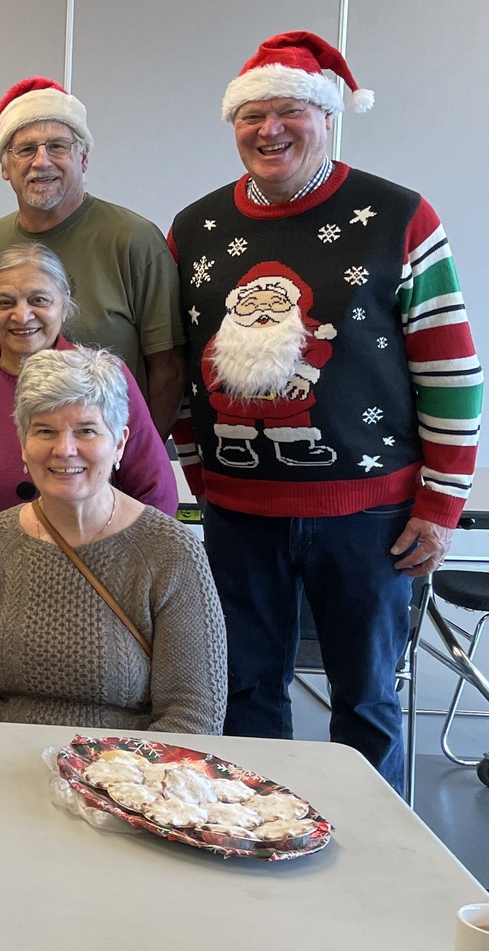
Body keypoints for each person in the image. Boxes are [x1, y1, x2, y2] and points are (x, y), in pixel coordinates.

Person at [171, 32, 480, 787]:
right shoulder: (195, 229)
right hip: (239, 512)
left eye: (287, 112)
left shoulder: (398, 216)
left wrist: (440, 505)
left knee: (366, 703)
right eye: (250, 116)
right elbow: (176, 366)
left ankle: (378, 877)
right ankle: (248, 833)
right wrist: (198, 478)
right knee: (243, 694)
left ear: (327, 117)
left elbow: (449, 366)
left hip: (370, 518)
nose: (267, 130)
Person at [0, 347, 227, 732]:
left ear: (120, 443)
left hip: (126, 780)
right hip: (1, 769)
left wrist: (102, 778)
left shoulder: (171, 551)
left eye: (86, 430)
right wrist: (0, 759)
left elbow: (193, 716)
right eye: (45, 431)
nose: (64, 449)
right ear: (22, 443)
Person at [0, 243, 177, 598]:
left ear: (65, 303)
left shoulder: (107, 379)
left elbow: (156, 492)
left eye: (39, 300)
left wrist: (125, 577)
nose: (22, 316)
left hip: (93, 588)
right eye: (4, 302)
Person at [0, 77, 185, 432]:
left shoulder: (135, 241)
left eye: (58, 146)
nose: (41, 162)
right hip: (6, 454)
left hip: (107, 465)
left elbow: (168, 369)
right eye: (25, 149)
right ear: (5, 167)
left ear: (83, 158)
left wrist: (132, 461)